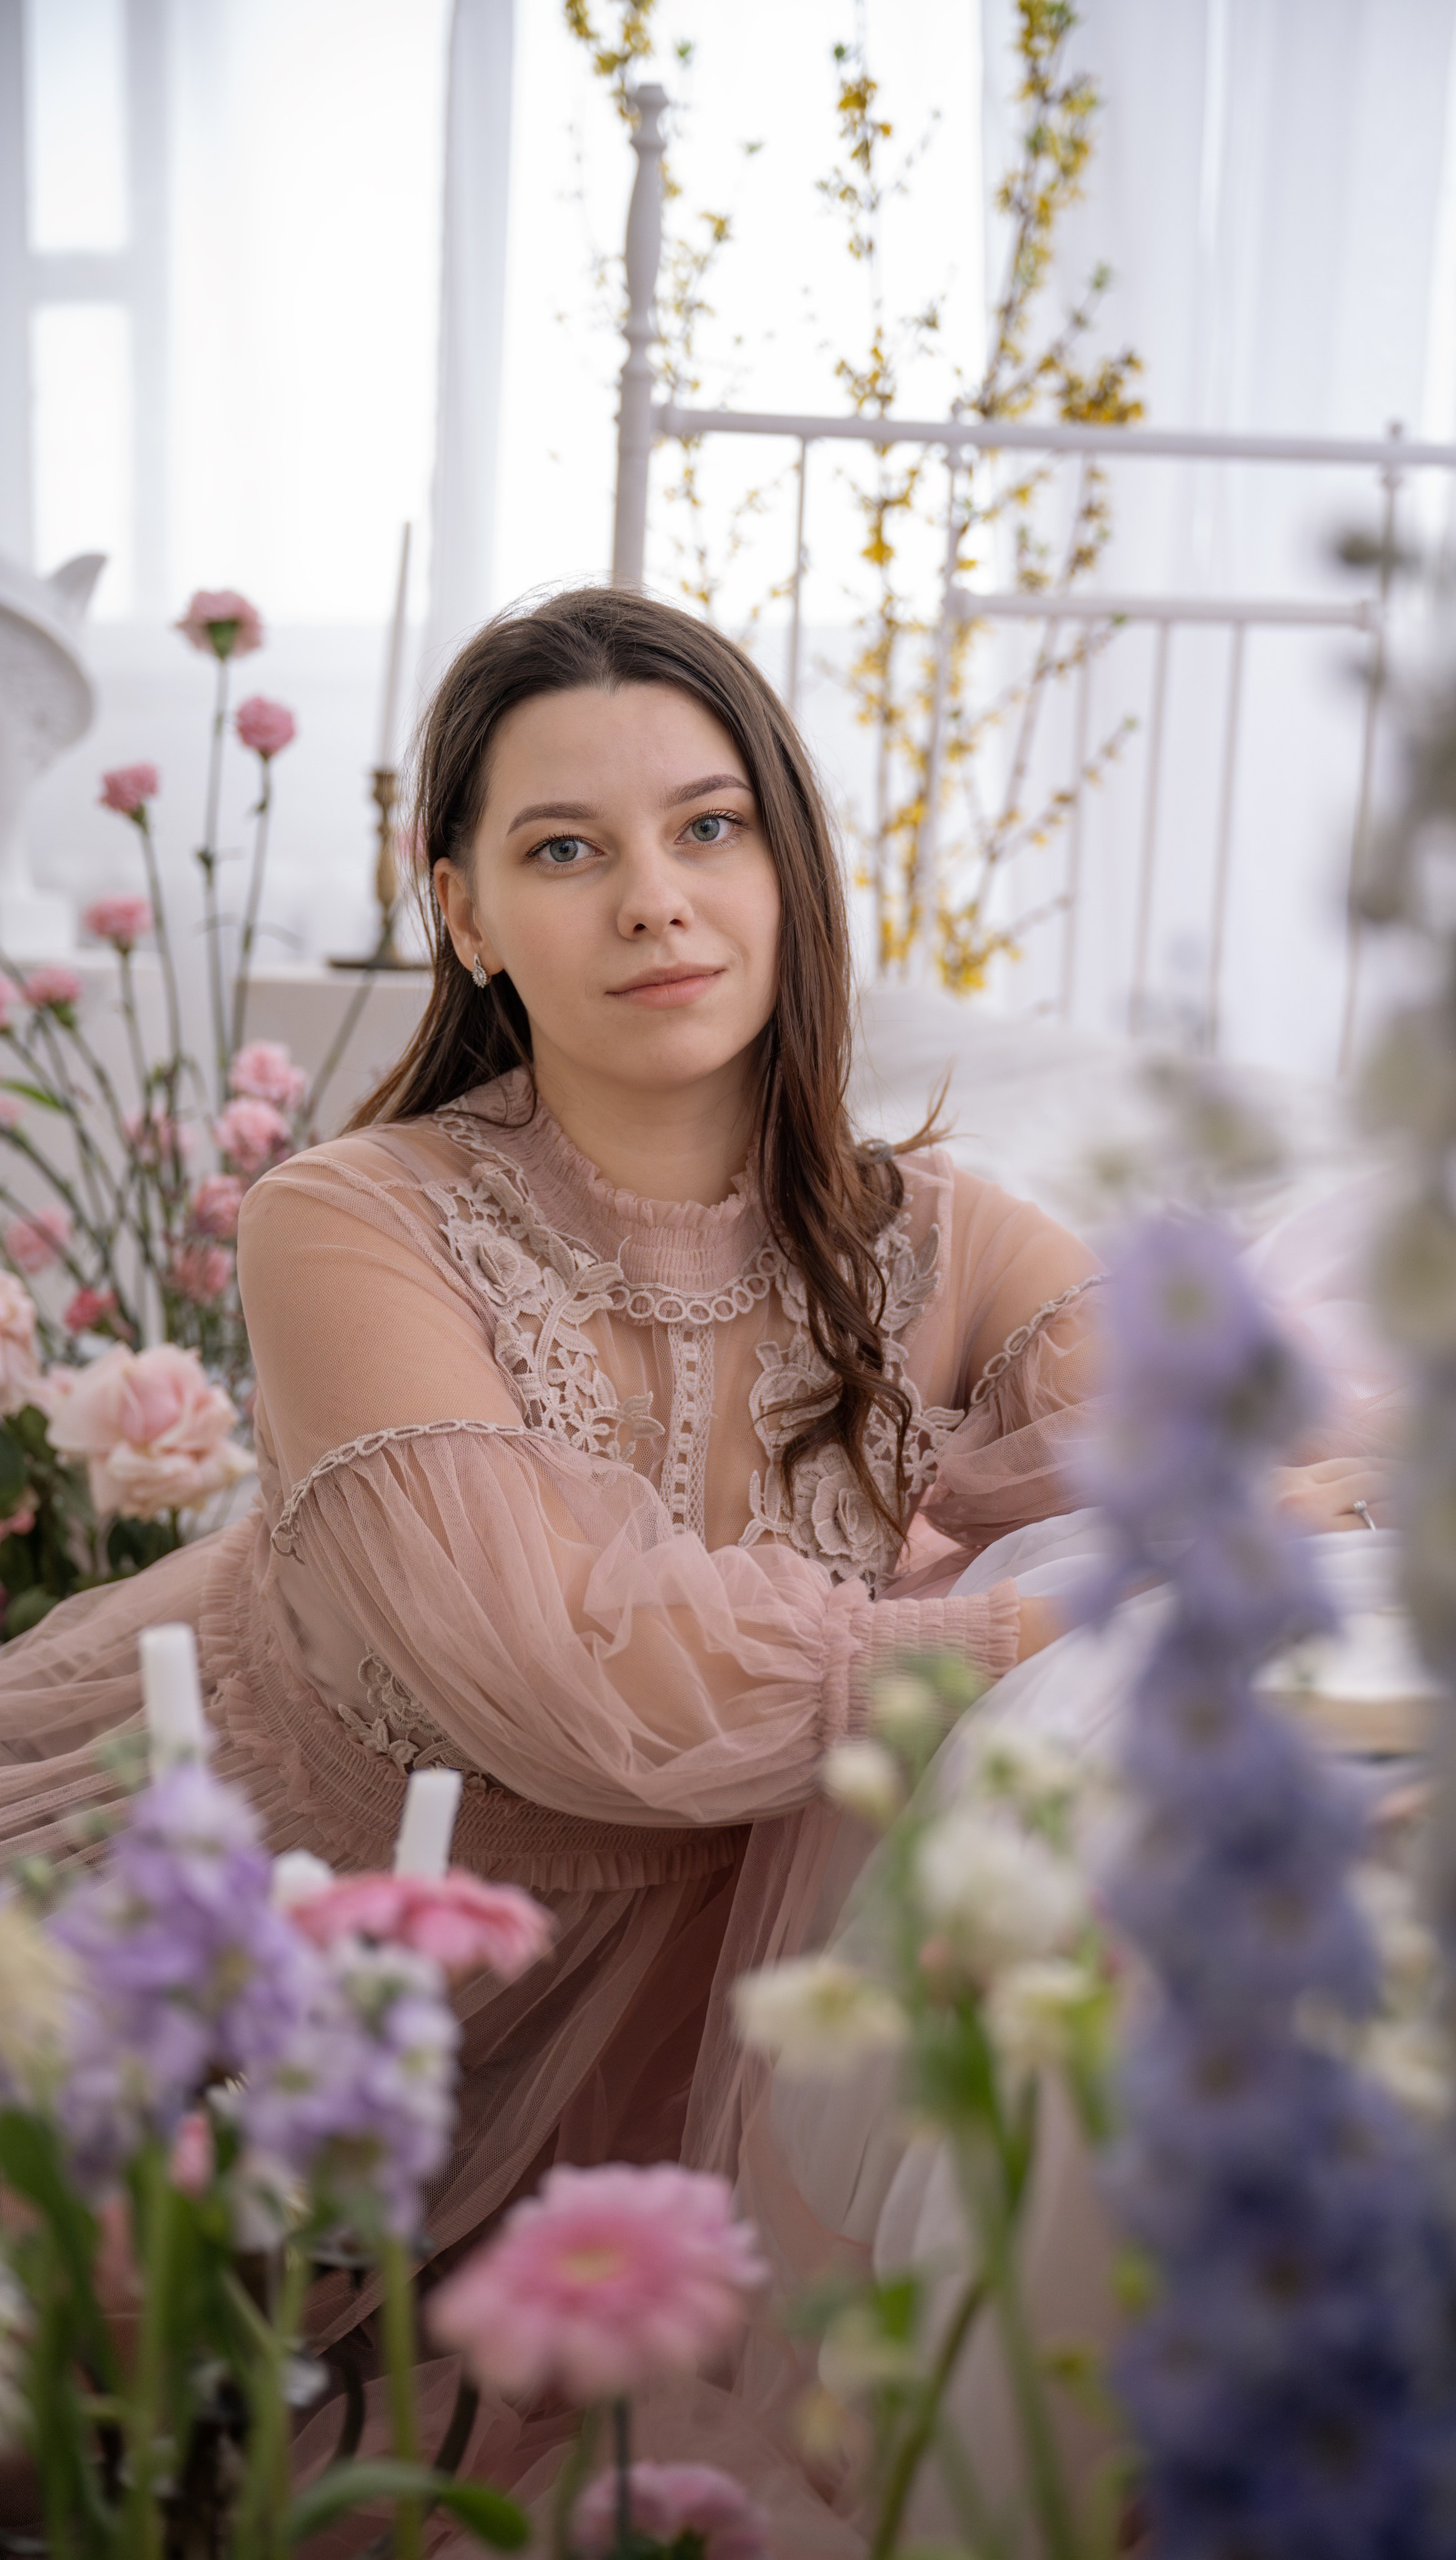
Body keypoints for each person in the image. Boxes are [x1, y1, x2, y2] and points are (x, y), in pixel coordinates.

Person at [0, 587, 1383, 2546]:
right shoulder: (351, 1220)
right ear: (464, 911)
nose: (656, 898)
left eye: (709, 827)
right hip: (280, 1953)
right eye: (567, 849)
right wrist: (1009, 1624)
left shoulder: (945, 1239)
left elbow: (1263, 1426)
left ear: (788, 867)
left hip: (683, 2034)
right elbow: (566, 1674)